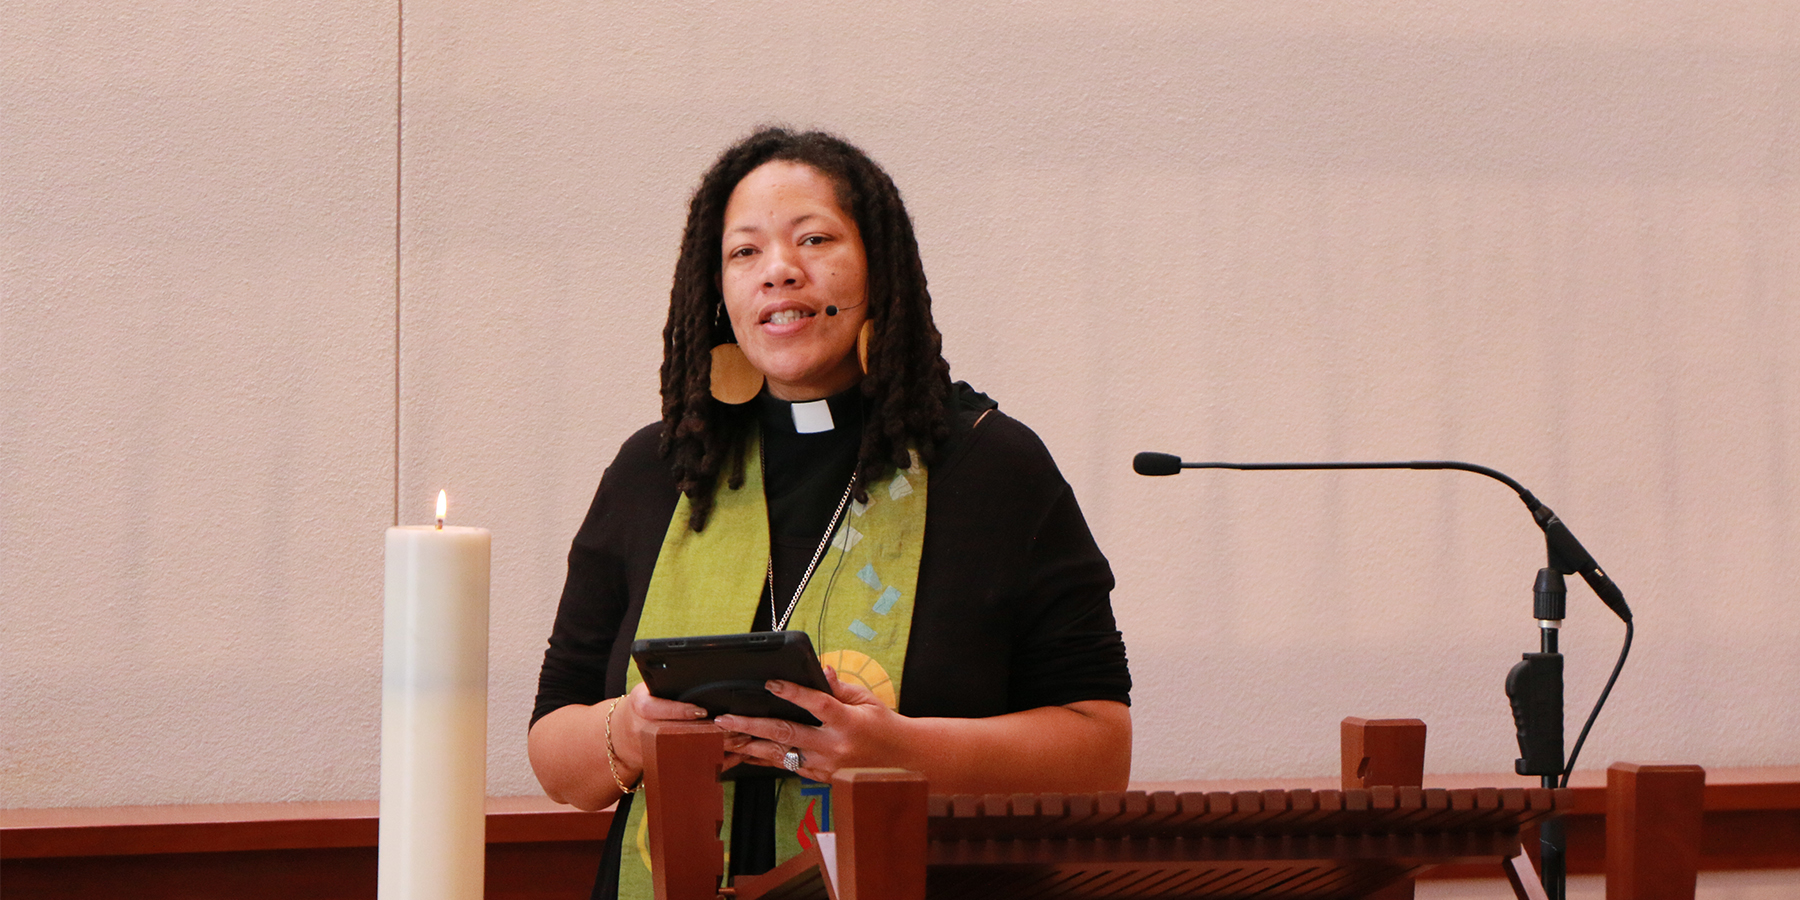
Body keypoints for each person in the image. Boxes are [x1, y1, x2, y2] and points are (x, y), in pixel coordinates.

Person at [528, 127, 1131, 899]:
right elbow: (554, 745)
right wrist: (632, 730)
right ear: (719, 292)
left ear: (879, 268)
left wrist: (902, 752)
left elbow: (1100, 749)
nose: (779, 271)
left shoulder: (991, 468)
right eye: (744, 253)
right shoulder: (660, 470)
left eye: (813, 239)